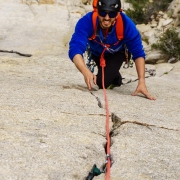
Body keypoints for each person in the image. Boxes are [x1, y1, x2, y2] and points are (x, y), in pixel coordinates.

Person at [68, 0, 156, 100]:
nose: (106, 18)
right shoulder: (87, 22)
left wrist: (141, 82)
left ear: (118, 14)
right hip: (97, 53)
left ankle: (114, 77)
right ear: (97, 11)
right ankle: (114, 75)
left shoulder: (127, 25)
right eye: (103, 13)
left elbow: (138, 53)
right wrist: (85, 71)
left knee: (101, 82)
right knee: (104, 76)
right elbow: (75, 48)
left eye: (112, 14)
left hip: (117, 53)